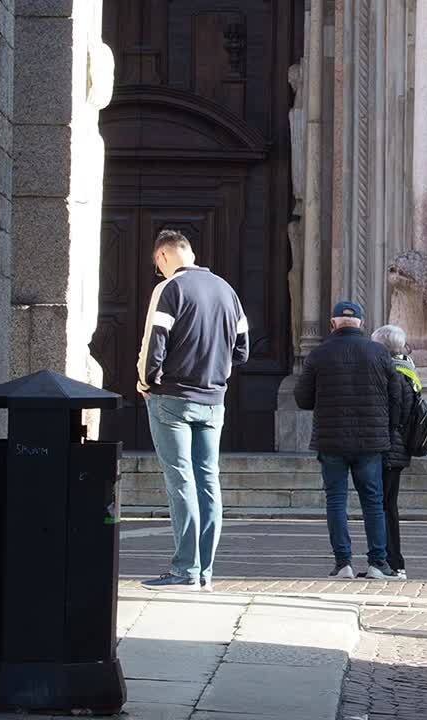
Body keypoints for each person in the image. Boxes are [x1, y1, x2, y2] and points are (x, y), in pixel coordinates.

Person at [138, 229, 249, 592]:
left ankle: (185, 569)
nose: (160, 272)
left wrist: (147, 381)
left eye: (159, 265)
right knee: (208, 481)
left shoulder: (170, 289)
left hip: (171, 397)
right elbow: (243, 349)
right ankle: (205, 572)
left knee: (181, 481)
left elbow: (155, 341)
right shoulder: (226, 290)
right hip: (213, 399)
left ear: (165, 257)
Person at [295, 300, 399, 581]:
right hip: (371, 442)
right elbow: (395, 398)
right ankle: (378, 562)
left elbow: (303, 399)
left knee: (336, 501)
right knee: (373, 502)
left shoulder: (318, 355)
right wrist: (387, 430)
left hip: (331, 442)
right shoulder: (379, 353)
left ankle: (343, 563)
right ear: (362, 324)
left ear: (332, 324)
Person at [372, 323, 418, 580]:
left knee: (385, 505)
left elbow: (394, 414)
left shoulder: (393, 373)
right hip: (398, 447)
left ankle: (392, 560)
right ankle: (392, 559)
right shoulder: (408, 368)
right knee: (388, 504)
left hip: (389, 447)